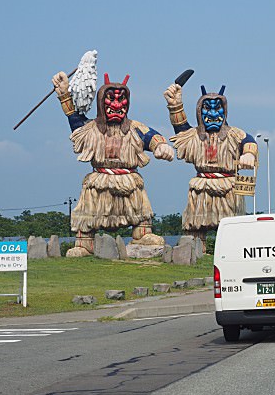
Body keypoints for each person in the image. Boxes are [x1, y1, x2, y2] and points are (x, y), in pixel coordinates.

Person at [53, 71, 174, 257]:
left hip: (129, 180)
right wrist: (64, 94)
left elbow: (151, 136)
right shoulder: (91, 128)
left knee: (140, 210)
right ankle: (85, 243)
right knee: (89, 213)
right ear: (101, 102)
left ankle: (142, 234)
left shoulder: (134, 127)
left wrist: (161, 146)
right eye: (111, 99)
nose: (117, 105)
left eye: (122, 100)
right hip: (99, 180)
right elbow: (75, 120)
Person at [163, 82, 257, 251]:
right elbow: (182, 132)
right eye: (207, 109)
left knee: (233, 231)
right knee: (195, 228)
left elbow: (249, 141)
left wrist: (249, 154)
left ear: (225, 110)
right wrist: (175, 105)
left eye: (218, 108)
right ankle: (193, 254)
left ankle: (233, 254)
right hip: (201, 188)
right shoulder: (194, 136)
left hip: (229, 188)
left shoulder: (235, 134)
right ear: (199, 111)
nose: (213, 114)